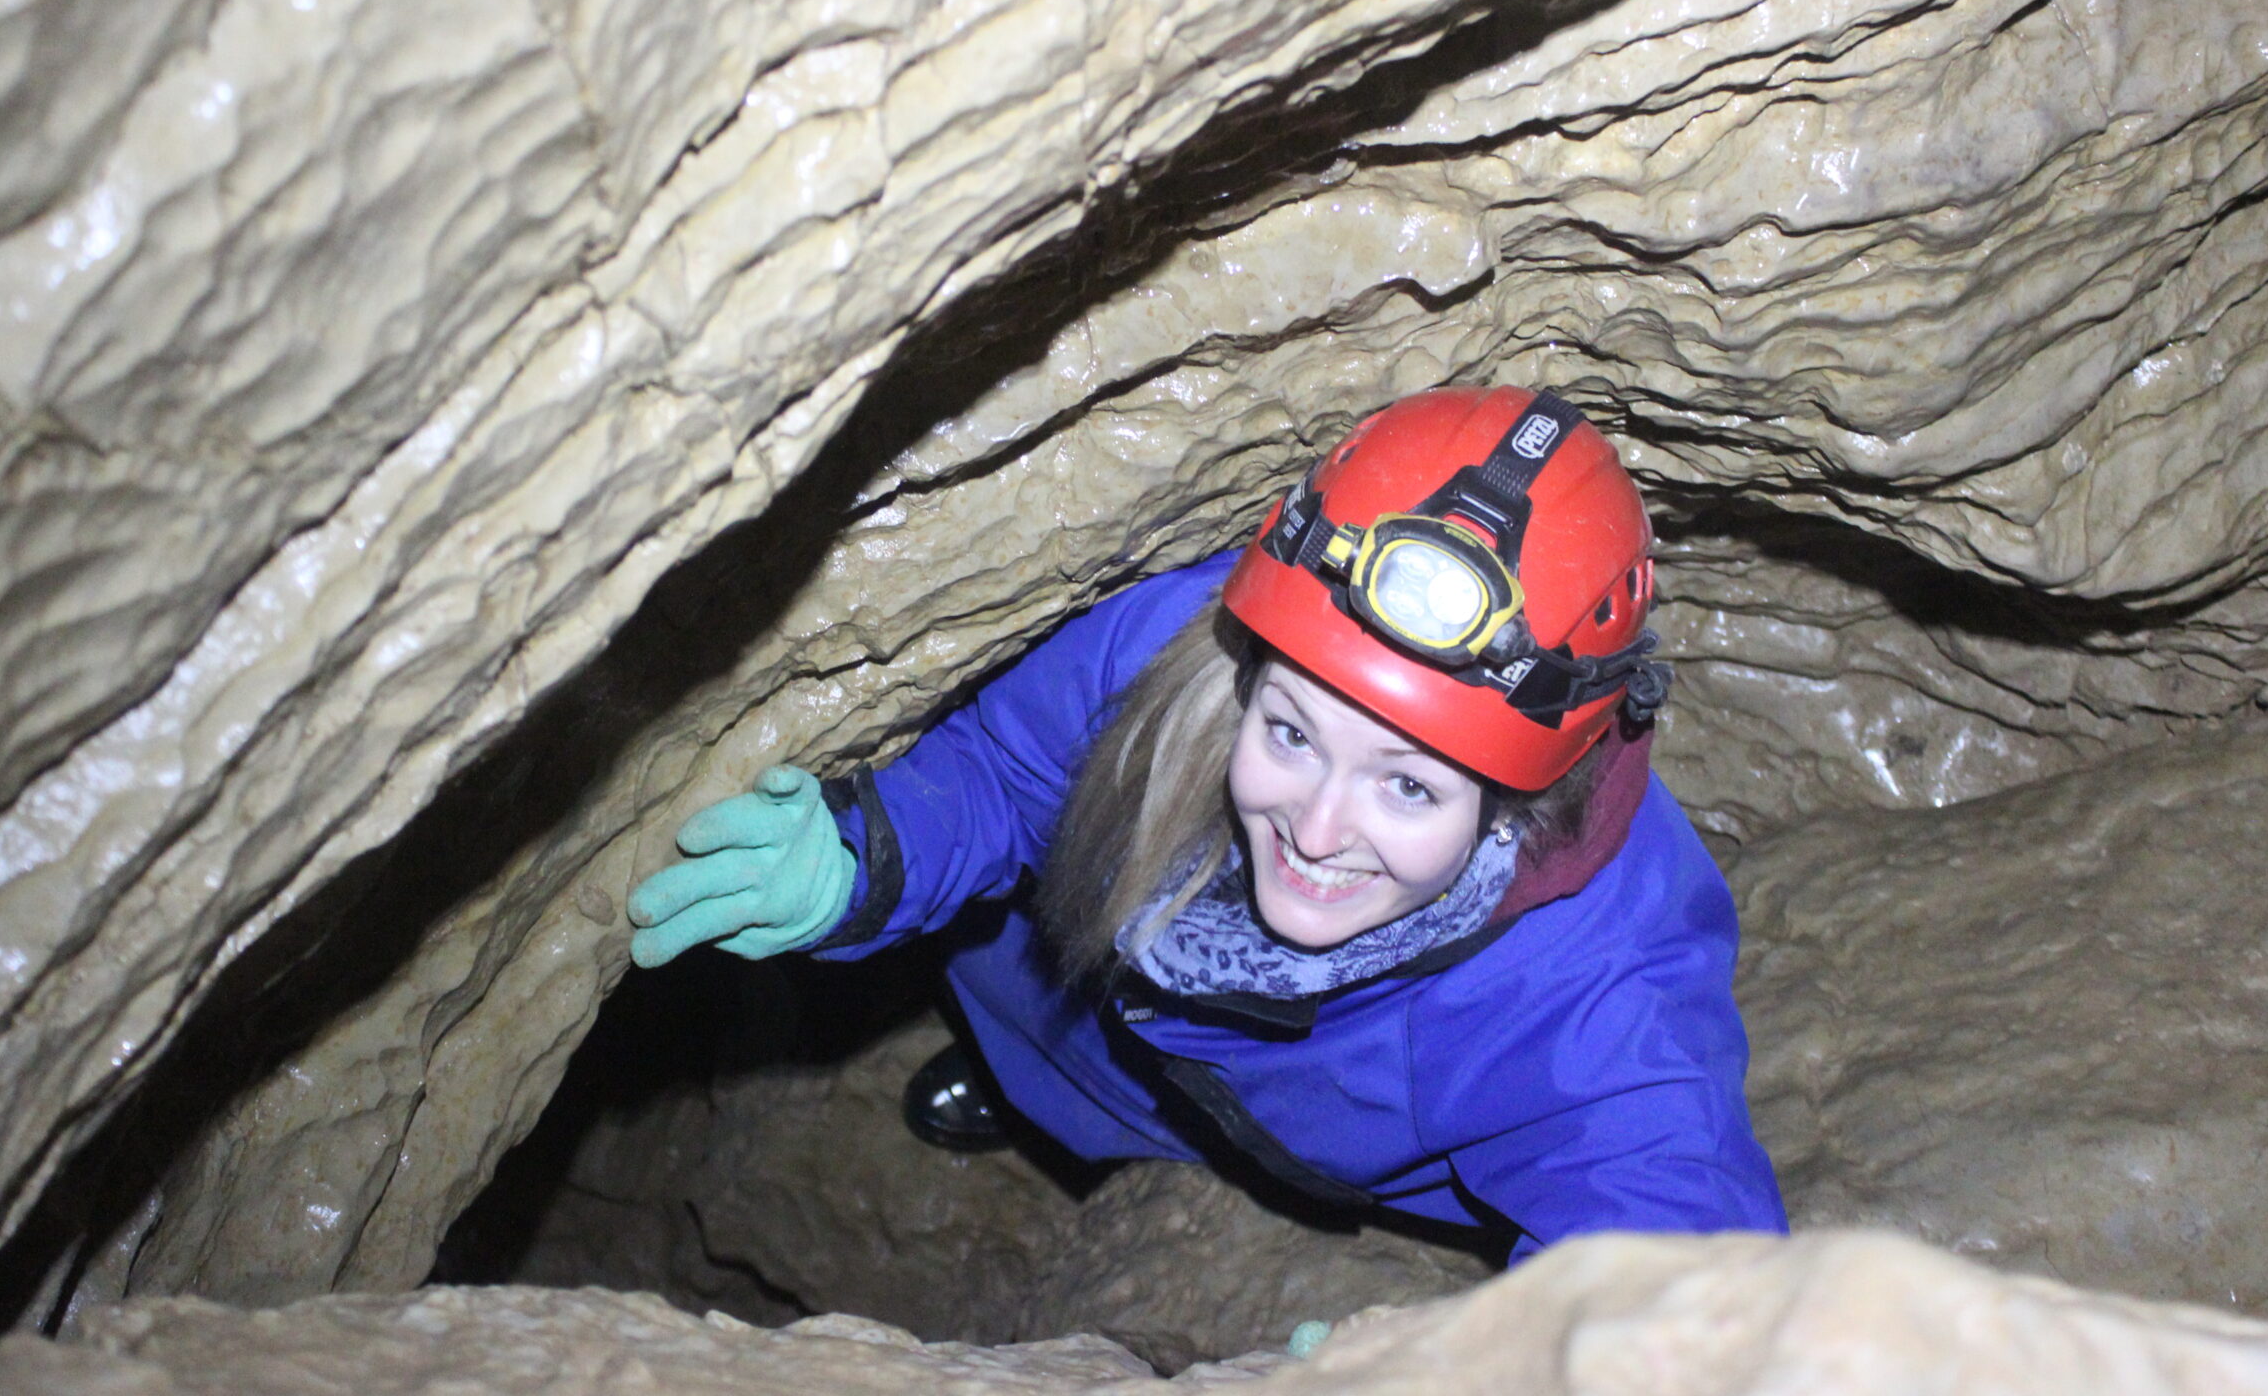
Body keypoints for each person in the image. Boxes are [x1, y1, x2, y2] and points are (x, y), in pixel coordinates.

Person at [627, 384, 1785, 1262]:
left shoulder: (1598, 986)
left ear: (1521, 799)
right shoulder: (1172, 651)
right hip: (1085, 1004)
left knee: (1233, 1130)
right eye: (1290, 733)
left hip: (1308, 1126)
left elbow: (1674, 1269)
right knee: (1044, 1037)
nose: (1317, 829)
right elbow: (1002, 776)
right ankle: (1035, 1104)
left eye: (1409, 787)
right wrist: (865, 857)